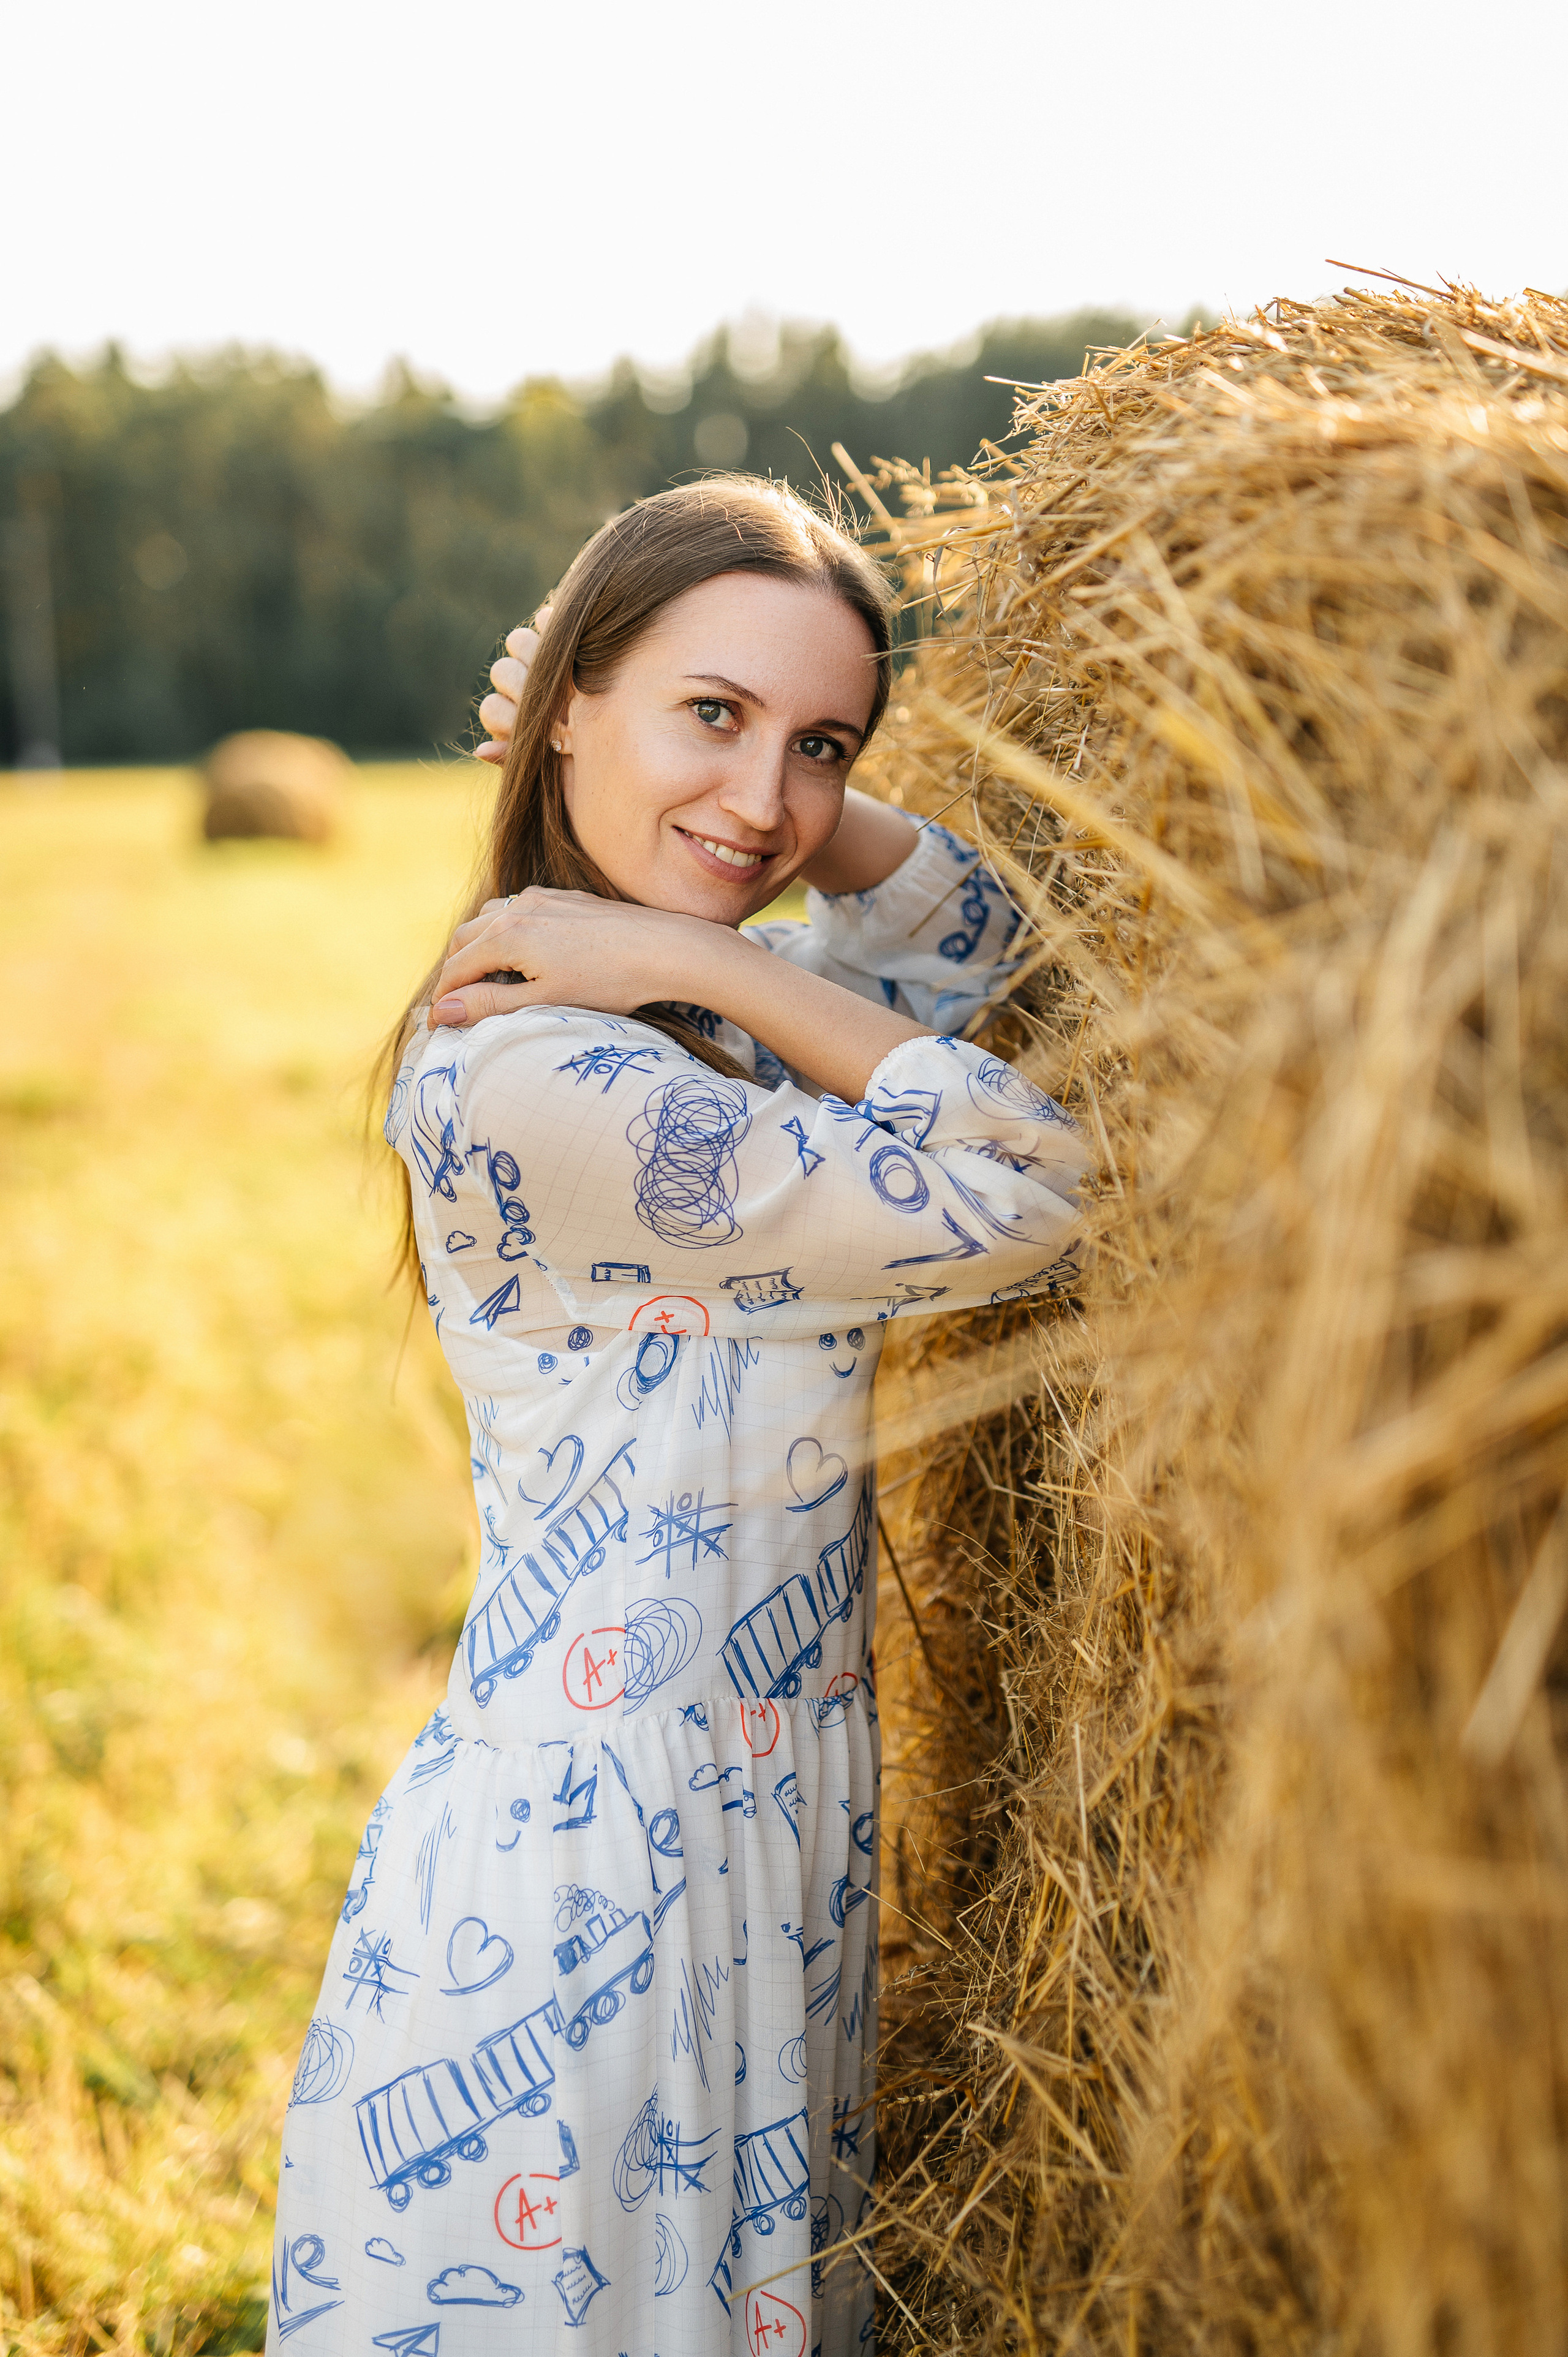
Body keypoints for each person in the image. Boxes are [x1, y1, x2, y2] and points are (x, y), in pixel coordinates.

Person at [270, 478, 1086, 2357]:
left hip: (752, 1811)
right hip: (597, 1873)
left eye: (822, 744)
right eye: (705, 711)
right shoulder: (559, 1070)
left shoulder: (691, 1012)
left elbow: (994, 952)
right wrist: (721, 948)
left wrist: (760, 838)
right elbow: (1035, 1178)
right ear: (568, 701)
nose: (765, 800)